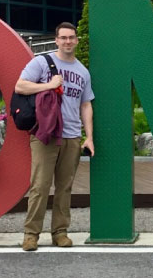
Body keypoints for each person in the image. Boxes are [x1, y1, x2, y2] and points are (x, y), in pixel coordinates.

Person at [15, 22, 95, 252]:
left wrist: (88, 136)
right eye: (63, 38)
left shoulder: (82, 71)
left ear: (76, 40)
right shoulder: (42, 62)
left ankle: (60, 232)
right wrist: (48, 85)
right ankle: (31, 234)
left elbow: (86, 104)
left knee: (65, 187)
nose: (68, 41)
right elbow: (20, 86)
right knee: (40, 185)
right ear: (56, 40)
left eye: (71, 38)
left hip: (71, 136)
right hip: (46, 133)